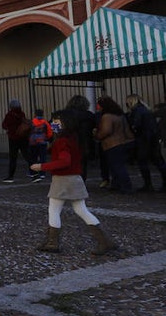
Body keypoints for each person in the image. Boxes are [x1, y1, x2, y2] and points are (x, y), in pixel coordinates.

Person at [30, 109, 116, 255]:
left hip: (63, 179)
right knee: (81, 210)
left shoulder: (62, 141)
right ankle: (105, 241)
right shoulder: (73, 138)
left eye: (56, 122)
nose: (53, 124)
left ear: (65, 124)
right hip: (74, 178)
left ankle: (53, 242)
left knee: (54, 210)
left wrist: (42, 166)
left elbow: (64, 161)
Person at [125, 94, 166, 193]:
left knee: (143, 162)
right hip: (152, 138)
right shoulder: (145, 110)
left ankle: (149, 184)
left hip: (143, 139)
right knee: (158, 162)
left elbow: (136, 125)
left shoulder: (137, 111)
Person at [93, 96, 134, 194]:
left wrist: (97, 135)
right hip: (124, 142)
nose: (97, 106)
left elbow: (106, 131)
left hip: (113, 144)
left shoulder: (107, 116)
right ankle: (117, 184)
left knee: (117, 166)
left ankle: (125, 186)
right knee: (117, 166)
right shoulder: (120, 115)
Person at [62, 95, 96, 182]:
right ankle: (80, 183)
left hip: (66, 143)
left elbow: (54, 129)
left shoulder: (62, 114)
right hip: (84, 143)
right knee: (82, 165)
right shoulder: (89, 115)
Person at [0, 99, 31, 183]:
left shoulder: (9, 115)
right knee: (27, 156)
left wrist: (9, 129)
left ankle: (10, 176)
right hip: (23, 137)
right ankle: (35, 173)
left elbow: (4, 125)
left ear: (11, 106)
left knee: (13, 158)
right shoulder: (22, 114)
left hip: (13, 138)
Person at [27, 109, 53, 181]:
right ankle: (42, 174)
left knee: (33, 158)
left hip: (33, 143)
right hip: (42, 142)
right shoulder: (45, 122)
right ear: (42, 114)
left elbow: (27, 131)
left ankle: (34, 173)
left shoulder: (31, 122)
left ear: (35, 114)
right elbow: (50, 133)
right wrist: (46, 138)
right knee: (43, 158)